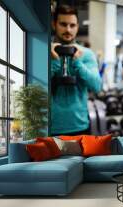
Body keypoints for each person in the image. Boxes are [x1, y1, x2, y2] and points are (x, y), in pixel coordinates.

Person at [50, 5, 101, 136]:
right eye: (63, 24)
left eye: (72, 25)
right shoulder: (45, 51)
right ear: (54, 24)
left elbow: (96, 86)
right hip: (50, 128)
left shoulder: (86, 54)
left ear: (77, 26)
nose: (68, 29)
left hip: (79, 126)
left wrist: (77, 63)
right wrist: (55, 61)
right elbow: (36, 88)